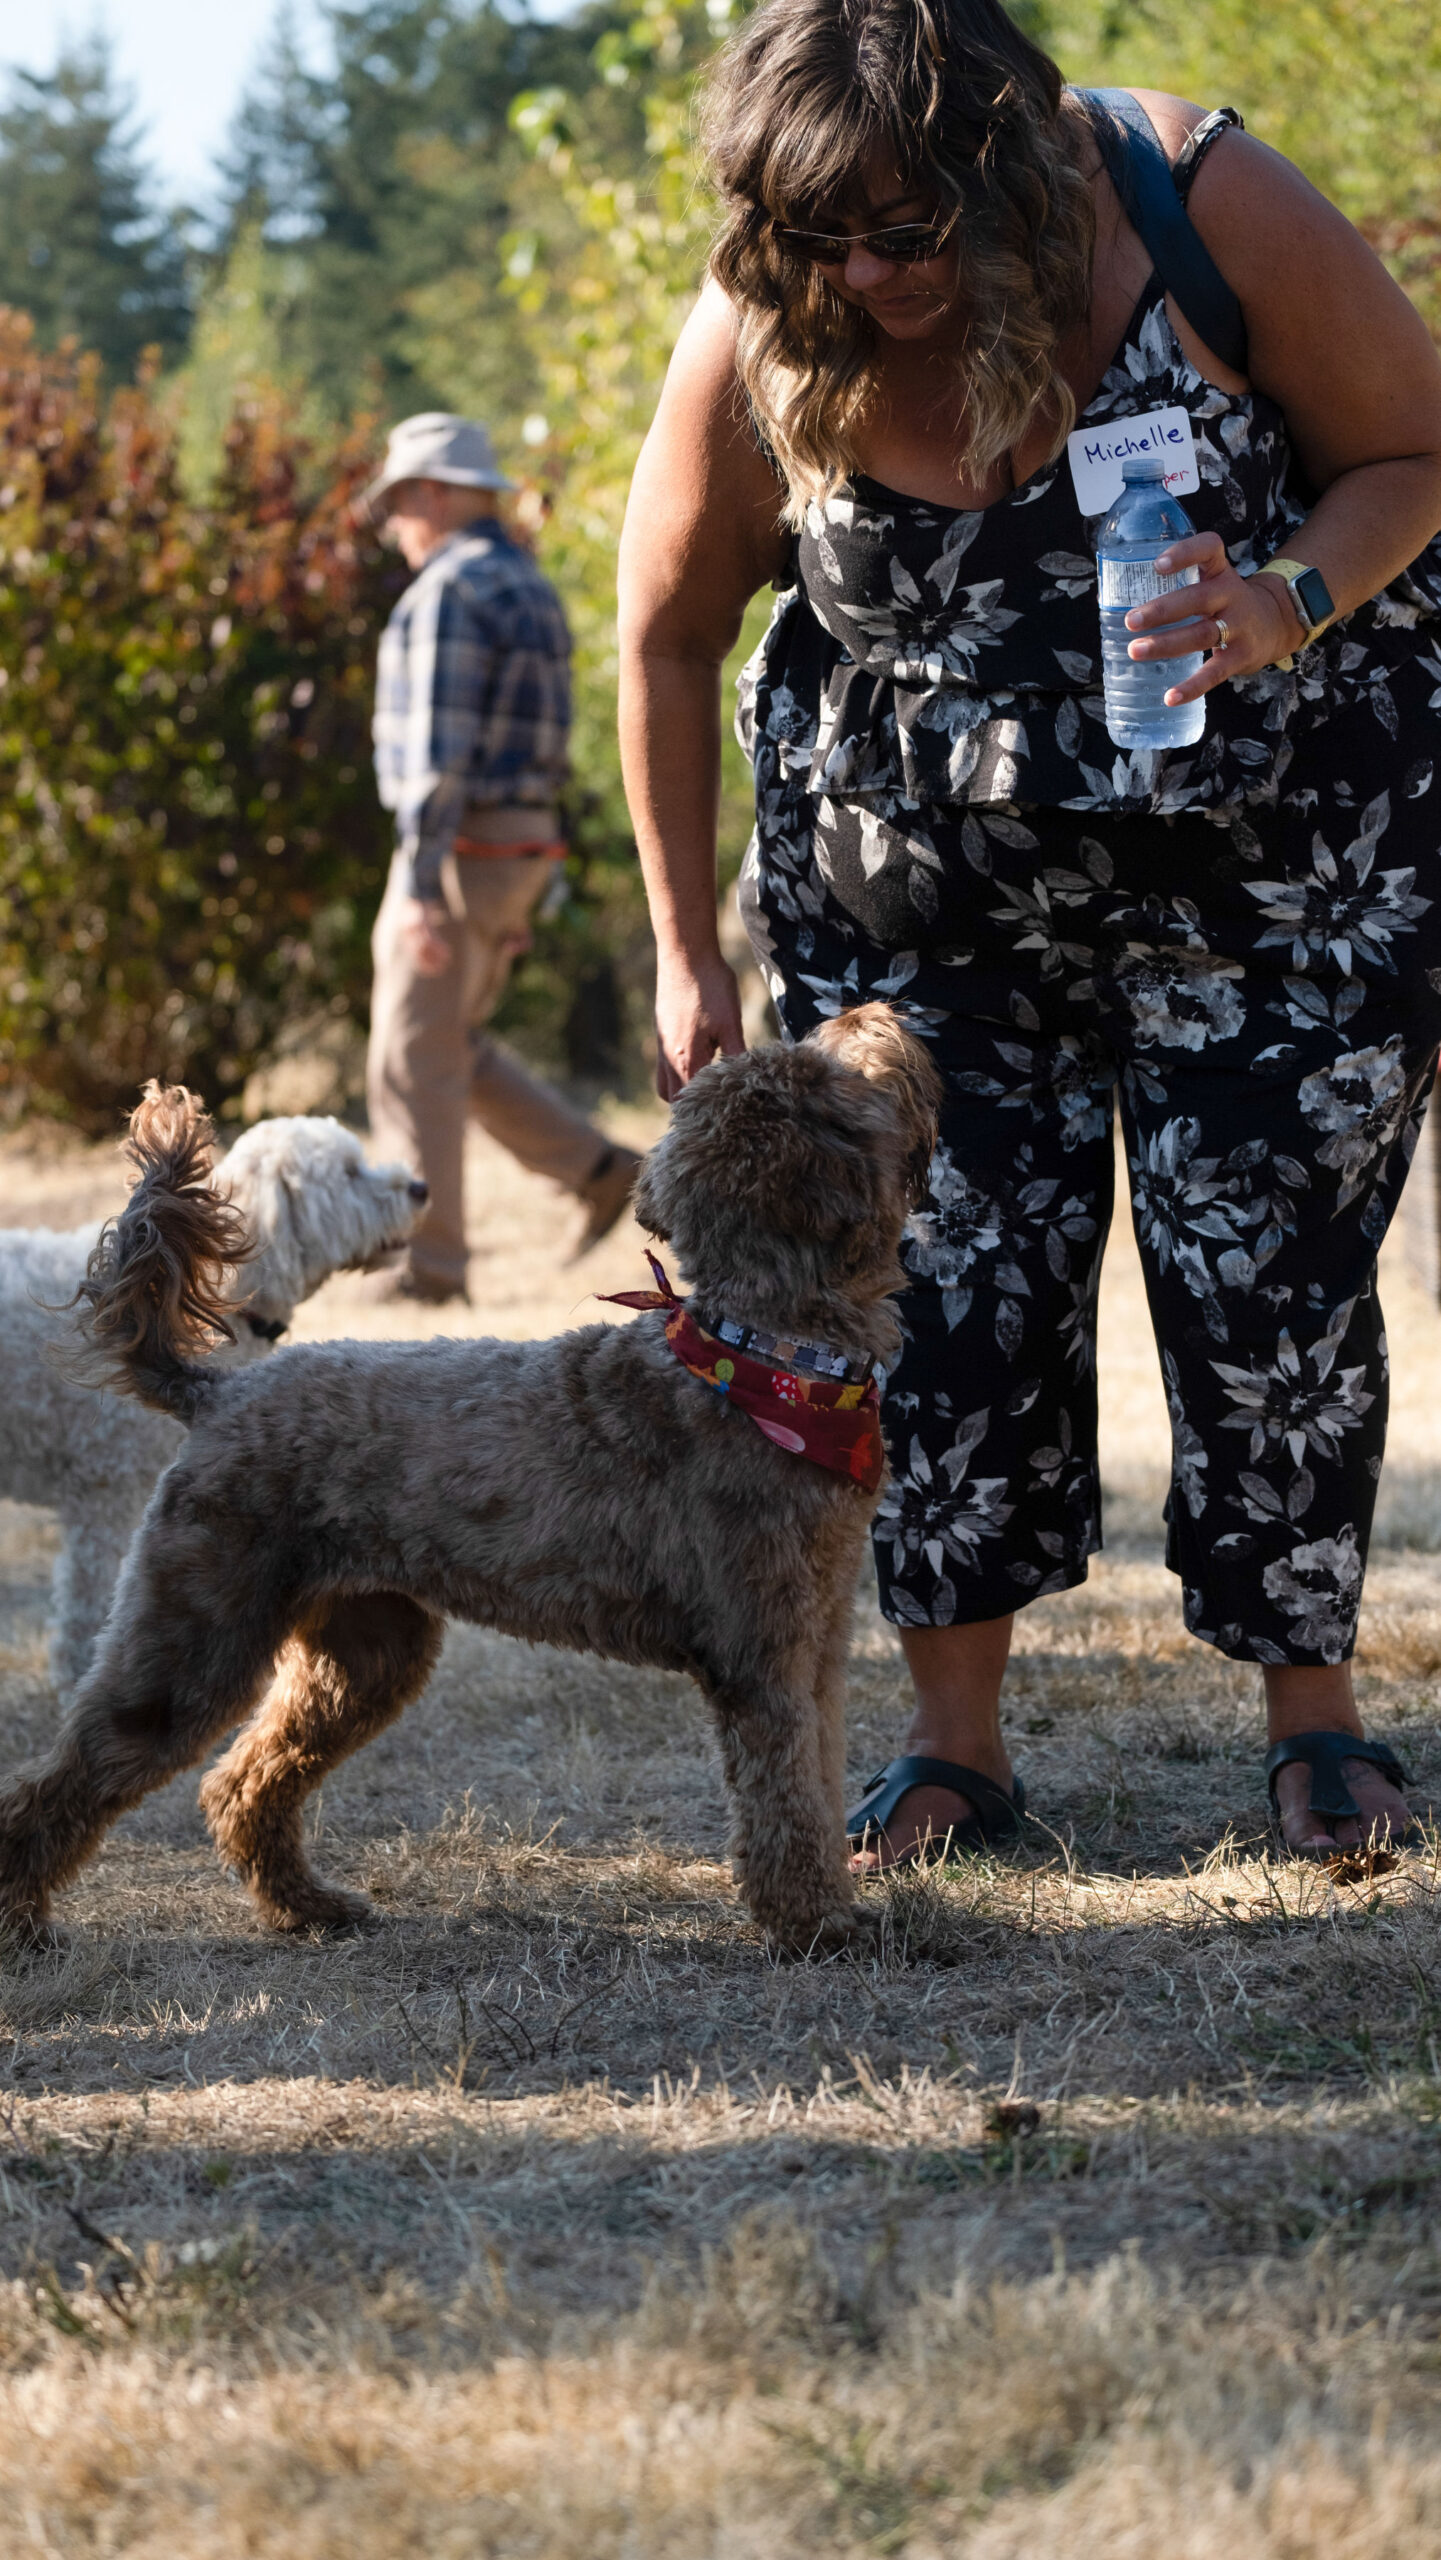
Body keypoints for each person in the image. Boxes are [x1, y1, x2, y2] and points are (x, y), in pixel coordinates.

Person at [617, 0, 1441, 1862]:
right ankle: (953, 1746)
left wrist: (1289, 597)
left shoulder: (1199, 199)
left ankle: (1313, 1727)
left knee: (1273, 1282)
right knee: (942, 1299)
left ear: (1017, 168)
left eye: (905, 232)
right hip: (919, 912)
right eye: (815, 237)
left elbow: (1414, 448)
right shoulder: (772, 305)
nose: (862, 273)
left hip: (1273, 872)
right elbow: (668, 632)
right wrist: (684, 947)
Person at [366, 412, 640, 1301]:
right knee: (451, 1044)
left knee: (412, 1058)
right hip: (515, 844)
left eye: (399, 503)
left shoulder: (451, 589)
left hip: (460, 848)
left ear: (436, 494)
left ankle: (429, 1268)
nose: (391, 524)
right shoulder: (523, 581)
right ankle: (603, 1173)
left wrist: (415, 885)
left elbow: (440, 759)